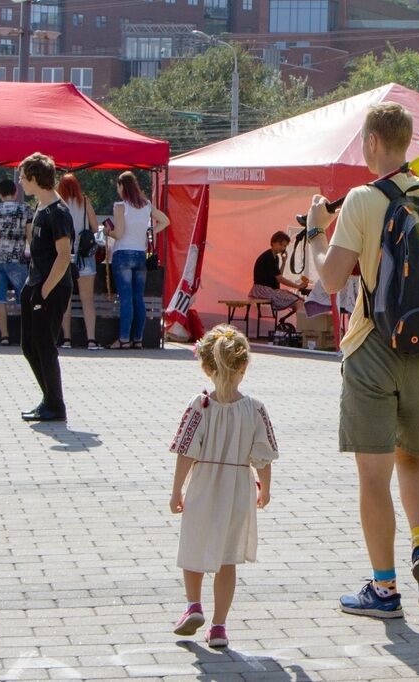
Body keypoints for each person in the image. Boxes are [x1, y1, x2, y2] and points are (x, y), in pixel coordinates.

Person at [305, 102, 419, 619]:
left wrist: (316, 230)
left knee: (373, 474)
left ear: (370, 142)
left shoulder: (363, 201)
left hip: (372, 346)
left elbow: (332, 279)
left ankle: (384, 589)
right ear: (406, 141)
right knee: (414, 455)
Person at [168, 325, 277, 649]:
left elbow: (186, 451)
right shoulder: (255, 408)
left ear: (206, 367)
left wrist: (176, 491)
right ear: (244, 366)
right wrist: (265, 489)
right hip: (238, 488)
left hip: (204, 485)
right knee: (227, 559)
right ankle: (218, 626)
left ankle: (193, 605)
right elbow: (264, 455)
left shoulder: (200, 405)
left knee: (193, 548)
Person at [18, 152, 73, 422]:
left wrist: (44, 291)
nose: (20, 182)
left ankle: (56, 405)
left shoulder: (58, 212)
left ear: (34, 178)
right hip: (35, 283)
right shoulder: (40, 208)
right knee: (28, 345)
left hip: (51, 287)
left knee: (44, 345)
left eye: (23, 177)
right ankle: (48, 399)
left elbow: (64, 256)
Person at [104, 171, 169, 349]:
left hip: (122, 254)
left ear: (122, 186)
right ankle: (138, 339)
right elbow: (165, 221)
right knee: (138, 298)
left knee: (125, 298)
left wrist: (107, 232)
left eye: (118, 185)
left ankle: (124, 339)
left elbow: (118, 233)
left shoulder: (120, 206)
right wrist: (149, 233)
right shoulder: (146, 205)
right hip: (140, 254)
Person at [0, 178, 33, 345]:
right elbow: (30, 236)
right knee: (24, 297)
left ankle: (4, 335)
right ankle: (26, 334)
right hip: (17, 259)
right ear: (16, 192)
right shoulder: (25, 209)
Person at [57, 173, 100, 349]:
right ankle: (91, 340)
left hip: (64, 254)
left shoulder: (58, 204)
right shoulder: (85, 201)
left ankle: (66, 339)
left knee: (65, 300)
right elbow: (96, 227)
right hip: (84, 257)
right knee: (87, 300)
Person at [248, 231, 307, 316]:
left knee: (299, 300)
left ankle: (297, 325)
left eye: (285, 246)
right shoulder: (268, 257)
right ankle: (302, 327)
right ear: (273, 242)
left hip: (270, 290)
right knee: (298, 302)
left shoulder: (275, 257)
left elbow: (278, 277)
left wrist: (283, 262)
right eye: (281, 244)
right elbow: (279, 278)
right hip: (262, 290)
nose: (283, 248)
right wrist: (298, 286)